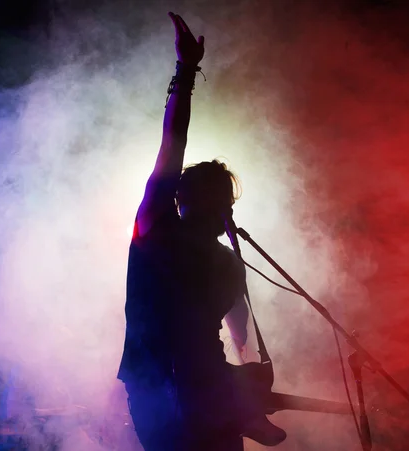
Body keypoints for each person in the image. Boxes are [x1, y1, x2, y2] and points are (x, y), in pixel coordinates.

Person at [117, 12, 287, 450]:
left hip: (210, 387)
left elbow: (235, 325)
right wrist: (186, 72)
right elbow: (172, 147)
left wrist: (243, 365)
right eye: (212, 198)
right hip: (161, 385)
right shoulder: (157, 229)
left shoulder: (227, 259)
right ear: (182, 198)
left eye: (225, 201)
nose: (222, 209)